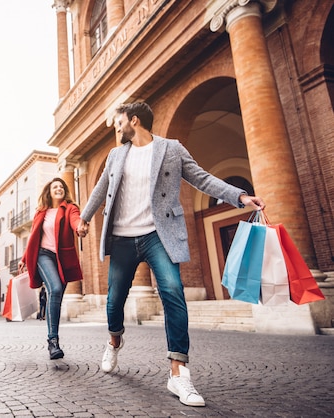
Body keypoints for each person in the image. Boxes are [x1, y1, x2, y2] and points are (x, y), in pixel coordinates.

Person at [77, 102, 265, 407]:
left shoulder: (171, 149)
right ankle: (114, 340)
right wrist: (84, 218)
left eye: (118, 121)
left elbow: (202, 178)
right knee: (114, 301)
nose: (116, 127)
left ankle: (178, 372)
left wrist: (239, 196)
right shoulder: (115, 154)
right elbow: (100, 189)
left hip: (158, 235)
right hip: (123, 239)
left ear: (134, 120)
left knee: (173, 291)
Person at [19, 177, 86, 359]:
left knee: (56, 296)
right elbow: (33, 236)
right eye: (55, 186)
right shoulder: (41, 212)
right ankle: (53, 341)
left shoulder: (70, 208)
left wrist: (80, 227)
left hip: (61, 258)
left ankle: (53, 339)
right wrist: (25, 258)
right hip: (42, 255)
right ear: (49, 191)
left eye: (61, 186)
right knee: (55, 289)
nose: (59, 188)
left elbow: (75, 220)